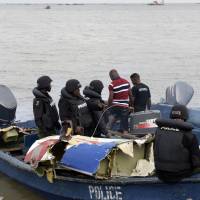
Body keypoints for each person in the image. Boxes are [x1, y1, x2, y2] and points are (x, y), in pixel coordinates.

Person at [154, 104, 200, 183]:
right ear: (185, 116)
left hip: (160, 173)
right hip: (178, 174)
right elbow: (196, 163)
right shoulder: (189, 135)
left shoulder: (158, 131)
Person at [108, 69, 132, 134]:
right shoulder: (127, 82)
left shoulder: (112, 84)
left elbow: (111, 97)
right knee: (125, 122)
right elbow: (130, 95)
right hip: (125, 106)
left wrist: (108, 106)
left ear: (111, 77)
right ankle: (125, 134)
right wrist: (130, 105)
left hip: (115, 106)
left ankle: (107, 132)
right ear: (118, 74)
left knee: (111, 119)